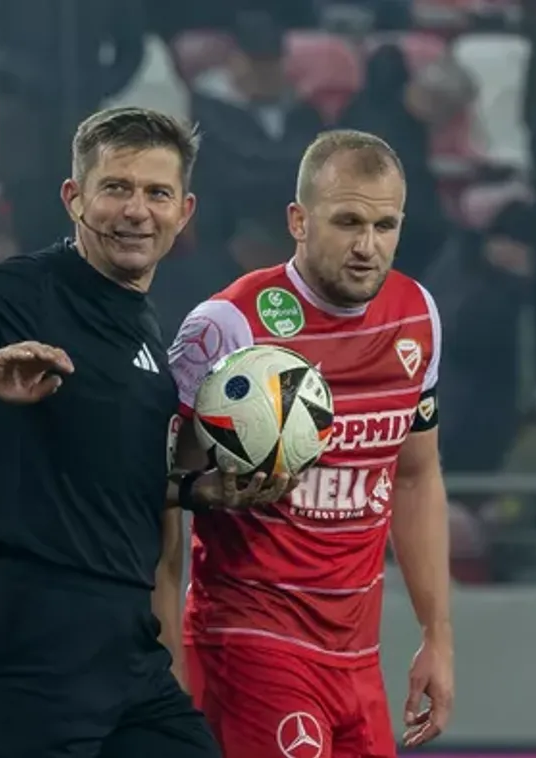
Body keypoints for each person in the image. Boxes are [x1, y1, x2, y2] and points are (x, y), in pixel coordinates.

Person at [0, 106, 232, 758]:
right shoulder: (19, 293)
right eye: (116, 188)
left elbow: (115, 480)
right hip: (31, 635)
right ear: (73, 197)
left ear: (183, 211)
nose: (136, 210)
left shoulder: (146, 328)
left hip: (130, 649)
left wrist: (195, 489)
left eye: (156, 193)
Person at [167, 129, 454, 758]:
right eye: (348, 222)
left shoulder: (417, 314)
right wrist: (167, 656)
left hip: (358, 656)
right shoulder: (228, 325)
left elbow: (414, 477)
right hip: (249, 642)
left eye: (384, 226)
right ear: (298, 221)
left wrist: (437, 636)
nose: (367, 246)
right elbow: (155, 485)